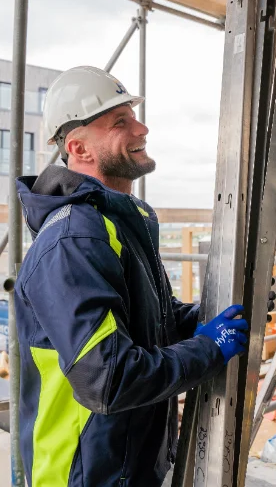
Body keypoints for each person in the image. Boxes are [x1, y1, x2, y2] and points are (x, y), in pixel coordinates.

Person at [14, 66, 254, 487]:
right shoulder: (74, 240)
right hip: (85, 475)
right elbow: (110, 379)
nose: (141, 127)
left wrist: (211, 317)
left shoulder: (117, 223)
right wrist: (208, 348)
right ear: (79, 147)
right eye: (120, 122)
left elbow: (148, 324)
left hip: (125, 463)